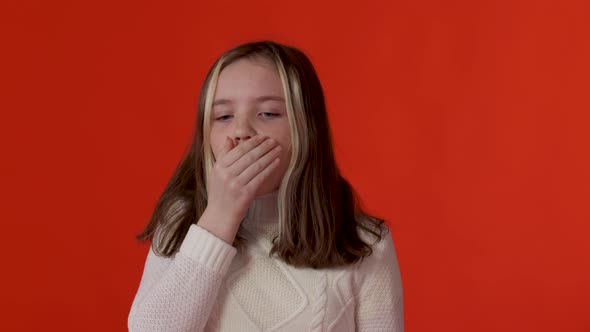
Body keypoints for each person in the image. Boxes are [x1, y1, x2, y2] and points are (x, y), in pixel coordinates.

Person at [127, 41, 403, 331]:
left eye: (268, 114)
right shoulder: (180, 221)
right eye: (223, 117)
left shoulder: (365, 242)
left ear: (305, 130)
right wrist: (219, 218)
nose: (241, 131)